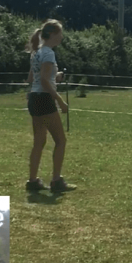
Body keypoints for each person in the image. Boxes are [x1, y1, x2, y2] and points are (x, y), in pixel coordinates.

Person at [25, 20, 75, 192]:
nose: (61, 37)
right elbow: (45, 81)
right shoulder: (48, 54)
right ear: (53, 34)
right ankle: (56, 181)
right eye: (60, 34)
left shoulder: (36, 53)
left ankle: (32, 181)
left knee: (39, 142)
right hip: (45, 99)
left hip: (34, 98)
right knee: (61, 140)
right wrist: (60, 101)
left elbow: (33, 79)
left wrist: (56, 77)